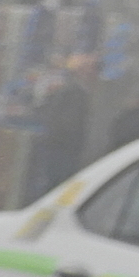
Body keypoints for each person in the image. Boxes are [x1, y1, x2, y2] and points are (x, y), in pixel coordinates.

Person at [28, 55, 92, 201]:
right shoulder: (75, 93)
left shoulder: (71, 91)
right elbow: (68, 123)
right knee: (57, 186)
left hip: (58, 145)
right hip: (63, 147)